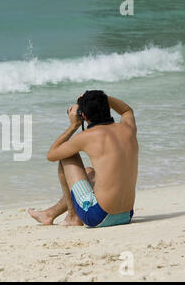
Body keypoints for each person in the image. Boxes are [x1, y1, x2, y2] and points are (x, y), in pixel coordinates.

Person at [29, 90, 138, 227]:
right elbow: (126, 110)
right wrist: (99, 99)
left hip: (99, 216)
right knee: (89, 172)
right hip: (126, 214)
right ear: (108, 107)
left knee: (66, 155)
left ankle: (73, 217)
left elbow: (52, 154)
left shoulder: (87, 136)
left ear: (83, 115)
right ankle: (49, 214)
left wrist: (73, 125)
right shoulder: (128, 128)